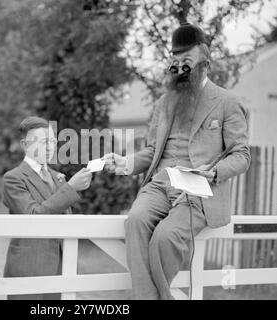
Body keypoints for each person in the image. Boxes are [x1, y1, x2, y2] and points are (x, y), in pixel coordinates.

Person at [104, 23, 251, 300]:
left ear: (205, 64)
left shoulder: (229, 102)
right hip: (160, 183)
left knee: (164, 237)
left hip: (199, 189)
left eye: (187, 62)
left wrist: (215, 171)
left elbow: (242, 155)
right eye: (176, 62)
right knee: (134, 221)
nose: (180, 68)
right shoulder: (163, 103)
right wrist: (124, 163)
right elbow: (152, 151)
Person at [2, 116, 92, 300]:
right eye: (43, 141)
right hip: (28, 268)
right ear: (25, 145)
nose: (50, 146)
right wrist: (71, 188)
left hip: (60, 267)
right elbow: (33, 215)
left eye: (52, 140)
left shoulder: (58, 176)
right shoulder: (13, 178)